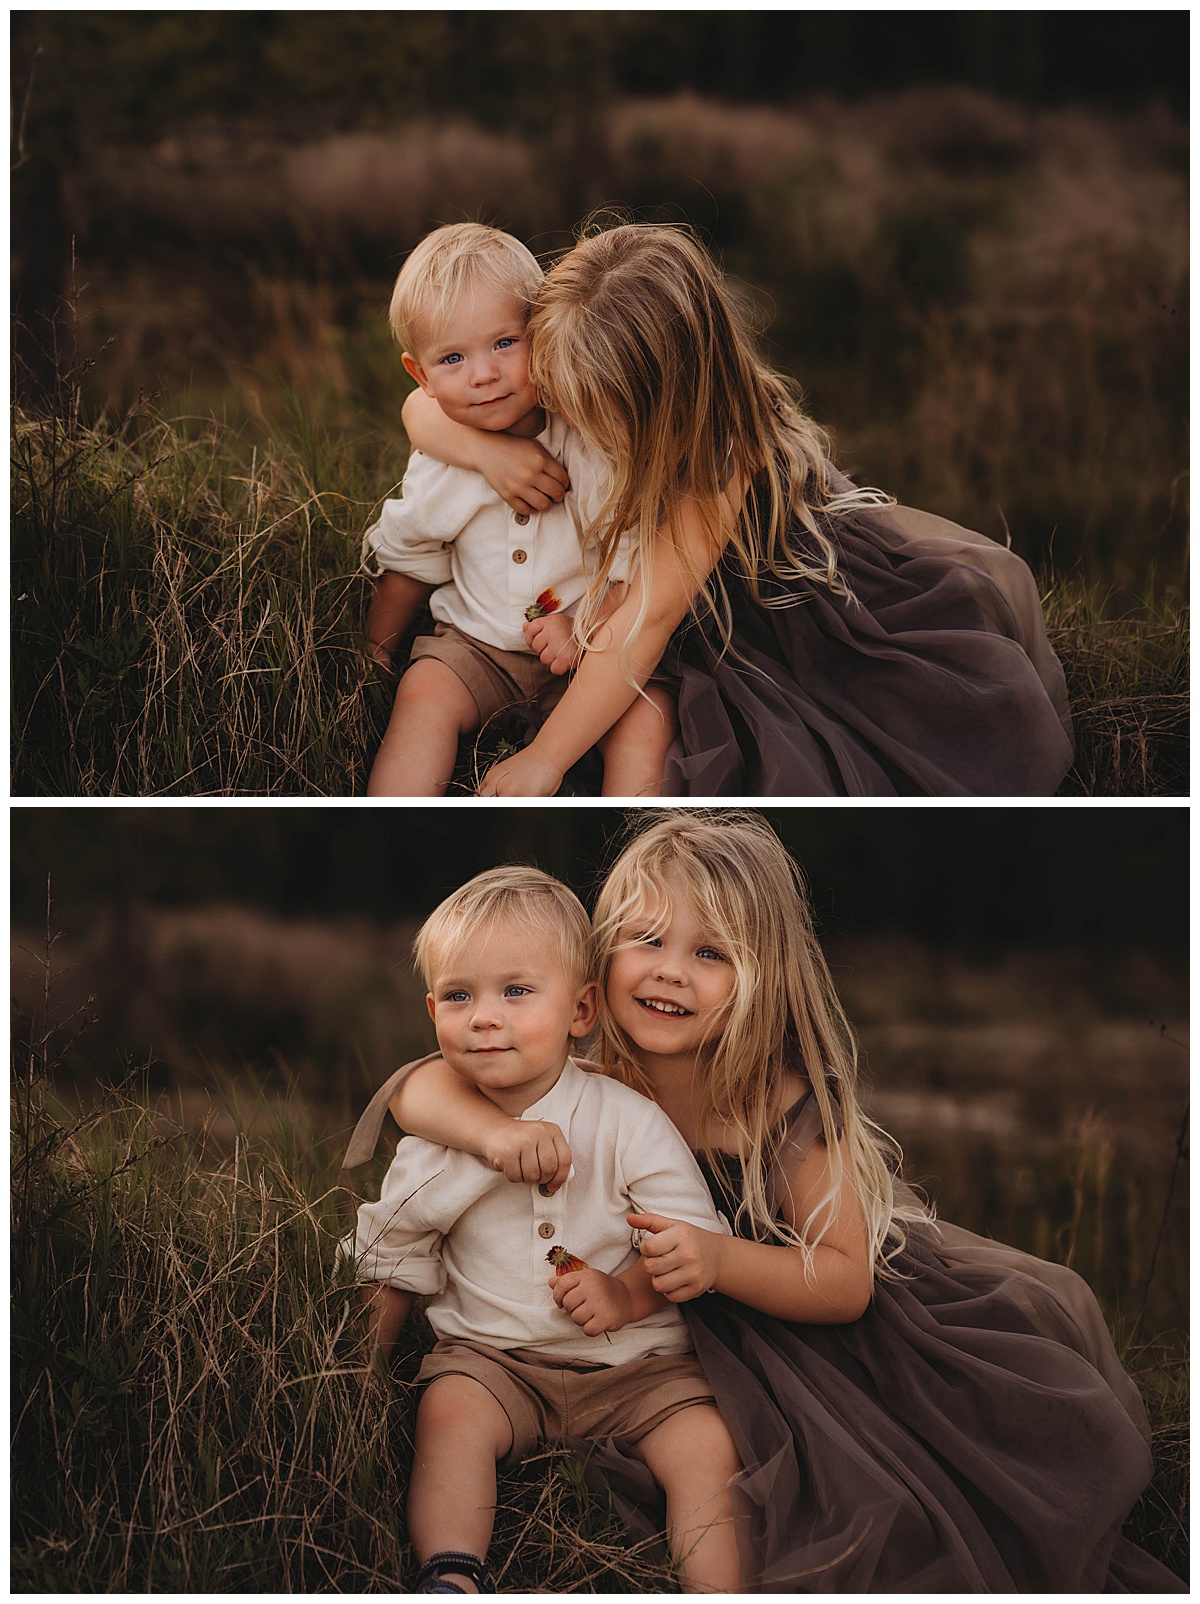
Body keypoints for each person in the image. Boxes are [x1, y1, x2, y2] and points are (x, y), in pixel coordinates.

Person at [352, 813, 1183, 1592]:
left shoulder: (780, 1105)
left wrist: (716, 1259)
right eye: (645, 939)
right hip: (653, 1320)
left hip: (793, 1316)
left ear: (761, 977)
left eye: (711, 953)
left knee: (865, 1482)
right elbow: (414, 1091)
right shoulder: (586, 1071)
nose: (671, 969)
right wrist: (494, 1139)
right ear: (595, 976)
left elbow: (845, 1280)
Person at [402, 223, 1074, 797]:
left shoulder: (722, 456)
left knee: (796, 744)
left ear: (654, 402)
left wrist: (546, 759)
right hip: (652, 599)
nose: (558, 412)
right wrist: (482, 453)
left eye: (582, 404)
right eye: (553, 384)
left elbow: (652, 614)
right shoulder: (573, 336)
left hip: (768, 601)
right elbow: (420, 404)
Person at [340, 866, 742, 1594]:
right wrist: (363, 1372)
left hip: (640, 1371)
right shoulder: (437, 1144)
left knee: (707, 1446)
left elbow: (687, 1238)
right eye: (458, 996)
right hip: (498, 1363)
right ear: (432, 1010)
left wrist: (624, 1295)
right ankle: (452, 1571)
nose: (483, 1017)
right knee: (450, 1414)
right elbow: (392, 1251)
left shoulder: (625, 1117)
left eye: (516, 992)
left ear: (581, 1010)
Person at [362, 222, 677, 797]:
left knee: (646, 715)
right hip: (475, 647)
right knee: (423, 694)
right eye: (453, 358)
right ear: (420, 375)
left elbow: (632, 561)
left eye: (505, 343)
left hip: (590, 656)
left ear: (545, 334)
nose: (483, 374)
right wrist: (374, 654)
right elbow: (411, 558)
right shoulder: (441, 464)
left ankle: (634, 824)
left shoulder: (591, 442)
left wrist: (584, 628)